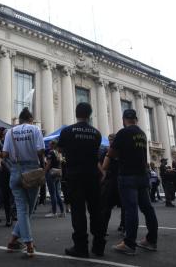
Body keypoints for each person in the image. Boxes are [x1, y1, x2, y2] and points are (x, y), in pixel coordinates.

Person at [103, 109, 158, 255]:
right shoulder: (142, 134)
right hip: (142, 175)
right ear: (136, 119)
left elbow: (112, 153)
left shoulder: (123, 132)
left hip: (128, 175)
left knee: (130, 209)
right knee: (147, 208)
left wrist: (107, 163)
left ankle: (129, 244)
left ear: (123, 119)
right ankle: (151, 240)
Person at [58, 102, 106, 258]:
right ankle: (99, 245)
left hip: (75, 176)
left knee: (78, 211)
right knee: (95, 211)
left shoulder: (67, 131)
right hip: (92, 175)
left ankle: (81, 247)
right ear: (89, 115)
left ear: (76, 113)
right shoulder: (96, 133)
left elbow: (61, 149)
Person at [1, 107, 44, 257]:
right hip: (32, 171)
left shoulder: (10, 132)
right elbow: (40, 151)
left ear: (19, 120)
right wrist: (42, 166)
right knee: (28, 210)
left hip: (15, 171)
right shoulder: (35, 129)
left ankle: (13, 241)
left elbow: (4, 154)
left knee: (22, 210)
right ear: (31, 119)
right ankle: (29, 244)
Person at [100, 133, 122, 236]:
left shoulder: (119, 150)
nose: (110, 141)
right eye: (109, 139)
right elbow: (101, 165)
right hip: (111, 180)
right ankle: (103, 228)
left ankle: (124, 225)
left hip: (120, 180)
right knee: (106, 206)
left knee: (124, 206)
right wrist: (103, 175)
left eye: (112, 139)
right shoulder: (106, 150)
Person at [45, 140, 65, 218]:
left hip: (51, 173)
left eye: (50, 144)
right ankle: (62, 211)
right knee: (57, 193)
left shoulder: (51, 152)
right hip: (58, 173)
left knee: (53, 194)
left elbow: (48, 164)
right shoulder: (59, 153)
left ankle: (54, 212)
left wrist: (44, 172)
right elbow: (60, 164)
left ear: (53, 145)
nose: (49, 145)